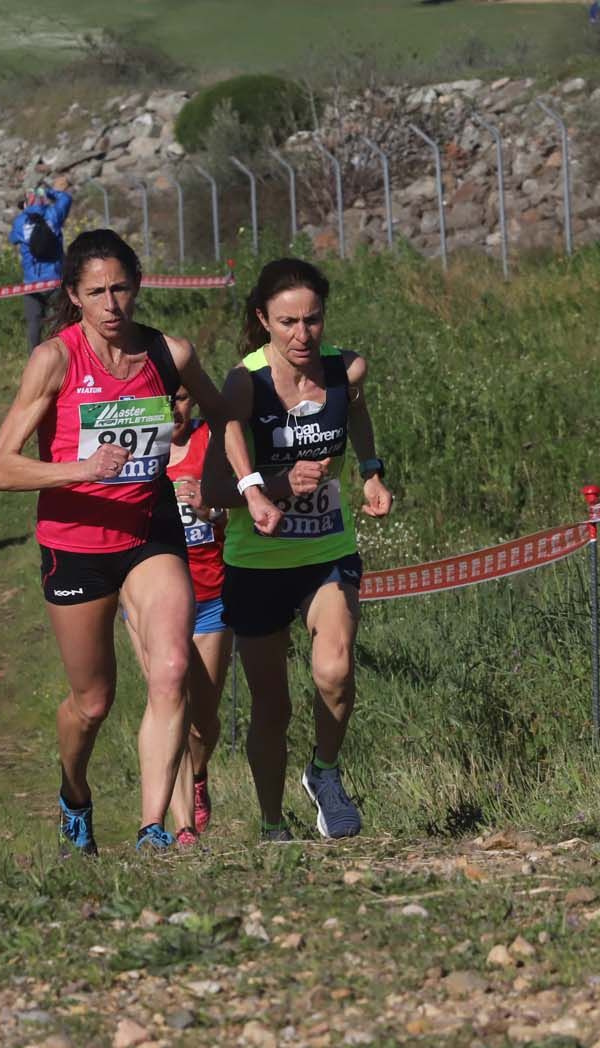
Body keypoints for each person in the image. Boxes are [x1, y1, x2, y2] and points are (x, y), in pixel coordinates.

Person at [0, 228, 280, 855]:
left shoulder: (168, 353)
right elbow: (1, 468)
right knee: (92, 703)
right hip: (76, 543)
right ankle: (74, 791)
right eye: (96, 292)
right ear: (74, 295)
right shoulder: (55, 360)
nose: (112, 303)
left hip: (151, 531)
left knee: (172, 669)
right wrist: (81, 470)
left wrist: (242, 484)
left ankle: (154, 828)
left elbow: (223, 413)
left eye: (121, 287)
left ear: (137, 285)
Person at [203, 258, 393, 843]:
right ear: (264, 320)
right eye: (287, 322)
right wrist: (272, 490)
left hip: (325, 549)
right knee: (272, 706)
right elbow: (212, 490)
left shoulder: (345, 369)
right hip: (257, 562)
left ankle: (325, 772)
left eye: (312, 320)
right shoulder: (245, 384)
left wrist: (370, 471)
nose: (302, 335)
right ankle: (270, 823)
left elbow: (354, 409)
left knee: (335, 669)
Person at [121, 387, 233, 847]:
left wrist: (212, 510)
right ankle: (182, 826)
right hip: (150, 600)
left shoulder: (215, 442)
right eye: (166, 400)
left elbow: (248, 508)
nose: (176, 410)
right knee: (170, 700)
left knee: (203, 720)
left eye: (184, 398)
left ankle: (200, 772)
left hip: (211, 596)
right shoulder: (138, 449)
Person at [8, 178, 73, 351]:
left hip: (32, 282)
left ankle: (35, 363)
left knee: (34, 325)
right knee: (60, 321)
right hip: (56, 278)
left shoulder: (21, 222)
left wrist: (23, 212)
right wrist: (50, 191)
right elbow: (66, 198)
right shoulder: (54, 215)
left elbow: (12, 239)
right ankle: (64, 358)